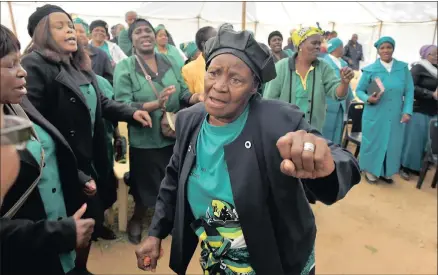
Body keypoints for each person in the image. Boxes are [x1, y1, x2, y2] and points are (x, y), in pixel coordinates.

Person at [134, 24, 361, 275]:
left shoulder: (278, 121)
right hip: (217, 252)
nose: (219, 86)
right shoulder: (190, 119)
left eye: (235, 79)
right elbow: (174, 178)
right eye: (214, 73)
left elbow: (344, 160)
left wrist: (326, 163)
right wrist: (155, 233)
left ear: (254, 87)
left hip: (276, 256)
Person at [21, 5, 152, 273]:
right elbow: (32, 122)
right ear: (39, 33)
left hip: (89, 158)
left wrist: (132, 112)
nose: (69, 29)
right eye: (59, 26)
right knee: (67, 225)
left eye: (69, 24)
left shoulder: (77, 65)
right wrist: (76, 173)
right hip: (61, 166)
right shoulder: (32, 66)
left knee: (88, 222)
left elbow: (101, 102)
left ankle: (80, 267)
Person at [0, 23, 95, 275]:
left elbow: (37, 153)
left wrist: (76, 176)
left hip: (51, 250)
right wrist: (58, 234)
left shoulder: (14, 108)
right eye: (10, 65)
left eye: (20, 63)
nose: (23, 73)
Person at [113, 19, 202, 244]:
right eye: (138, 32)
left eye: (148, 31)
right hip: (144, 138)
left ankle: (169, 218)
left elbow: (182, 93)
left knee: (173, 179)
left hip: (172, 133)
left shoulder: (170, 61)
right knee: (144, 185)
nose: (145, 35)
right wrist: (155, 103)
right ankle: (139, 218)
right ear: (131, 39)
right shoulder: (125, 67)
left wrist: (196, 97)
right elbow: (122, 104)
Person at [263, 26, 355, 132]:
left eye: (319, 43)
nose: (318, 47)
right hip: (284, 132)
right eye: (314, 43)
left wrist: (344, 83)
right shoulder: (282, 67)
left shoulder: (323, 67)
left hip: (312, 132)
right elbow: (269, 102)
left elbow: (337, 94)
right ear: (301, 44)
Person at [355, 36, 414, 184]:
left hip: (395, 114)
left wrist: (407, 111)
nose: (386, 50)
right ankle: (370, 169)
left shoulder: (402, 68)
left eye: (389, 47)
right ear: (378, 50)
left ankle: (386, 171)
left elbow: (409, 91)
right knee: (374, 142)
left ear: (393, 48)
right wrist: (368, 99)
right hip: (375, 113)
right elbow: (359, 90)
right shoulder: (370, 70)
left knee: (392, 143)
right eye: (382, 48)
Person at [400, 45, 437, 180]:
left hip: (433, 110)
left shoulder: (436, 70)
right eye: (433, 54)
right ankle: (404, 166)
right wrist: (431, 94)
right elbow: (410, 87)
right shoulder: (418, 68)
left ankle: (415, 167)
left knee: (425, 141)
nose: (436, 56)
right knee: (413, 141)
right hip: (418, 109)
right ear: (426, 55)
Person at [322, 37, 354, 145]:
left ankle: (335, 155)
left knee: (338, 130)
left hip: (341, 104)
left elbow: (347, 84)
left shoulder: (343, 63)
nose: (343, 48)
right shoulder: (324, 63)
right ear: (335, 48)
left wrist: (350, 99)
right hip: (327, 104)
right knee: (326, 131)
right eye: (341, 46)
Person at [74, 17, 113, 84]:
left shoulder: (101, 55)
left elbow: (109, 81)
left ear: (87, 35)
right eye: (74, 31)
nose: (78, 34)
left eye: (81, 31)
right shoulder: (63, 55)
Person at [181, 26, 217, 95]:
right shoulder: (188, 70)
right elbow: (187, 98)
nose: (220, 42)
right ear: (204, 44)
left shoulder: (226, 64)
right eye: (215, 40)